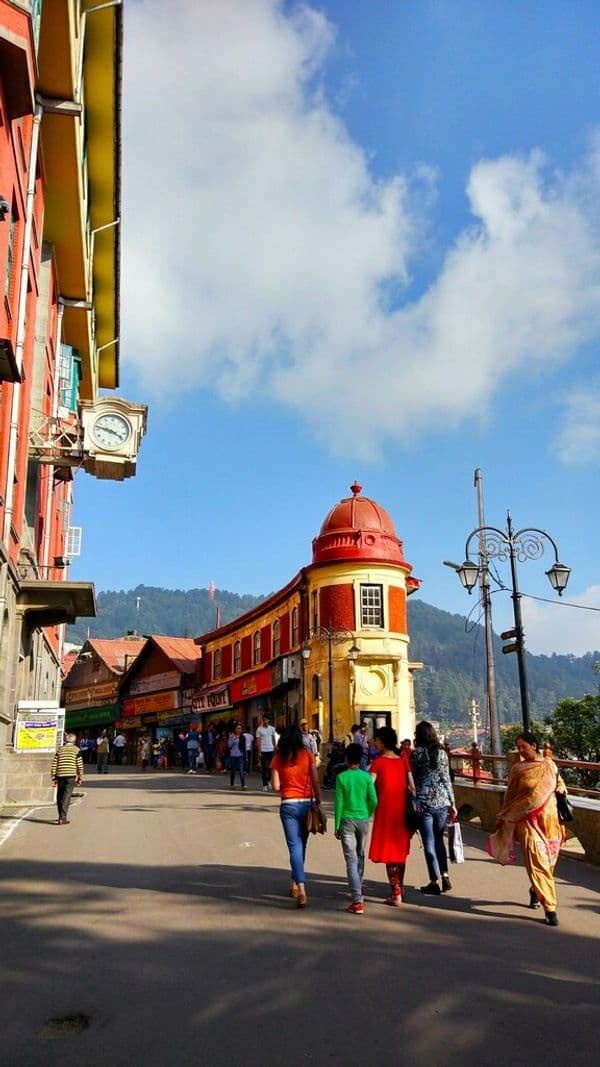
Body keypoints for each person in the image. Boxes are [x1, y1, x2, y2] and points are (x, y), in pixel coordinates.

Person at [487, 730, 567, 927]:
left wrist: (561, 788)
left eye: (524, 746)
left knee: (548, 864)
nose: (521, 751)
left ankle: (535, 889)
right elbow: (510, 796)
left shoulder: (549, 764)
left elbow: (560, 784)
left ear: (534, 745)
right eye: (519, 747)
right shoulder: (518, 769)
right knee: (537, 862)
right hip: (527, 823)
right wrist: (504, 815)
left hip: (551, 823)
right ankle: (550, 908)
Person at [271, 724, 322, 908]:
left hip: (288, 805)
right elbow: (316, 779)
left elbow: (276, 786)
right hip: (306, 804)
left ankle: (300, 887)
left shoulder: (278, 757)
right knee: (302, 844)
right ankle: (296, 882)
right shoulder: (307, 754)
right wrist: (319, 800)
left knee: (294, 846)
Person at [411, 720, 457, 896]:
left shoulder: (417, 754)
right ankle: (445, 875)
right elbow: (447, 779)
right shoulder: (443, 754)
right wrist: (452, 803)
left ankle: (434, 880)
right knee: (439, 840)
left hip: (424, 803)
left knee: (428, 842)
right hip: (442, 802)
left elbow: (413, 778)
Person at [369, 727, 413, 906]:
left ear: (383, 741)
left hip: (386, 809)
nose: (375, 743)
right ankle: (399, 887)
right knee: (400, 850)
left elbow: (369, 787)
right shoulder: (403, 761)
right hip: (401, 808)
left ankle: (396, 893)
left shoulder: (378, 762)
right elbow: (412, 785)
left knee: (389, 851)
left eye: (376, 740)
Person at [335, 743, 378, 914]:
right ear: (361, 758)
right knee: (360, 855)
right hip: (363, 819)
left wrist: (337, 825)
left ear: (346, 758)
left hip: (347, 820)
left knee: (350, 859)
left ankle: (356, 899)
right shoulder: (367, 777)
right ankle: (358, 887)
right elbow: (374, 800)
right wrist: (367, 813)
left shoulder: (342, 778)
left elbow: (339, 803)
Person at [51, 732, 83, 825]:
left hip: (60, 774)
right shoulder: (77, 750)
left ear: (66, 740)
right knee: (67, 796)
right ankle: (63, 817)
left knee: (60, 795)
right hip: (71, 775)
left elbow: (54, 763)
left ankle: (60, 816)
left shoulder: (60, 749)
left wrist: (53, 777)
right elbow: (79, 765)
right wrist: (80, 777)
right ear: (74, 741)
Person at [256, 714, 277, 791]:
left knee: (271, 767)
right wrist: (259, 752)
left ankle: (269, 781)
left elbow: (274, 739)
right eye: (264, 720)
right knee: (264, 768)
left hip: (271, 750)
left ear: (268, 720)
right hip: (263, 751)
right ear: (262, 720)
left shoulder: (272, 729)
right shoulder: (259, 729)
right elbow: (258, 742)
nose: (265, 721)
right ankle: (264, 784)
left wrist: (275, 747)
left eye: (266, 720)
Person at [228, 723, 247, 789]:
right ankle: (232, 785)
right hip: (233, 756)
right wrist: (233, 738)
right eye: (237, 728)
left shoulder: (243, 737)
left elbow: (244, 747)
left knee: (241, 771)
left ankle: (243, 785)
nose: (239, 729)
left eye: (240, 728)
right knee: (233, 771)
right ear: (235, 729)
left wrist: (245, 756)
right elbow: (229, 745)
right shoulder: (231, 736)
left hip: (240, 756)